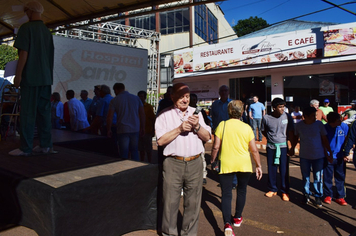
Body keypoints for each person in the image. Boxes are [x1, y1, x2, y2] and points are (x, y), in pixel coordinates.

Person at [155, 83, 211, 236]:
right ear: (172, 97)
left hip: (195, 162)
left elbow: (207, 137)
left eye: (187, 96)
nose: (185, 100)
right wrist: (179, 129)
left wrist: (198, 127)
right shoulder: (164, 115)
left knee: (193, 203)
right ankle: (169, 234)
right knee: (170, 203)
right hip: (173, 163)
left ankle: (189, 234)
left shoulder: (197, 113)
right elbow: (160, 141)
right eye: (181, 96)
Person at [210, 100, 262, 236]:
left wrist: (212, 160)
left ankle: (227, 224)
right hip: (244, 164)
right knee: (242, 190)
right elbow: (254, 150)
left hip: (226, 163)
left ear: (229, 111)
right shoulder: (247, 128)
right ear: (242, 111)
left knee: (226, 194)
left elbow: (216, 146)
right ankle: (238, 217)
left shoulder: (223, 125)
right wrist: (258, 165)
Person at [9, 1, 54, 156]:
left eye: (25, 11)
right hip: (46, 78)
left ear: (29, 11)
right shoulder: (47, 32)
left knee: (28, 113)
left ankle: (25, 147)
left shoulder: (26, 28)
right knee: (44, 113)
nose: (25, 14)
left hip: (31, 78)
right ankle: (46, 145)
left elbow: (24, 54)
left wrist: (18, 75)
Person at [290, 107, 332, 207]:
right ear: (306, 116)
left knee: (318, 177)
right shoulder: (299, 125)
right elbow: (296, 138)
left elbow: (324, 139)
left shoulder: (319, 124)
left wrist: (328, 152)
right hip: (304, 156)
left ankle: (318, 196)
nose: (315, 117)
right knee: (306, 177)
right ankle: (306, 194)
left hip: (319, 156)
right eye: (313, 116)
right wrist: (292, 148)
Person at [261, 98, 294, 201]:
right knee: (272, 168)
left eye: (283, 106)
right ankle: (272, 189)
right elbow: (264, 131)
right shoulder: (266, 118)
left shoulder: (287, 117)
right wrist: (272, 139)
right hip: (271, 147)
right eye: (280, 107)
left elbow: (291, 132)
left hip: (283, 147)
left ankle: (285, 191)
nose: (282, 109)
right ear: (274, 108)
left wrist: (291, 147)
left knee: (284, 170)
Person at [107, 83, 145, 161]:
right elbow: (142, 114)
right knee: (134, 151)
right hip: (135, 128)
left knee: (123, 153)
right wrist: (143, 127)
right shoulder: (136, 98)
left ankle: (124, 169)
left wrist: (108, 129)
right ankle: (136, 169)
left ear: (116, 90)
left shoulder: (114, 100)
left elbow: (110, 117)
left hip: (122, 129)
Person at [211, 85, 237, 189]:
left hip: (231, 133)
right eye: (222, 90)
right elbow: (213, 117)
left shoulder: (232, 104)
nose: (224, 92)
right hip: (219, 134)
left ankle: (234, 181)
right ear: (219, 92)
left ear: (228, 92)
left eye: (226, 90)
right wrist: (213, 128)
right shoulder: (215, 104)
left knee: (232, 156)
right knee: (220, 157)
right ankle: (223, 180)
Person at [323, 112, 348, 206]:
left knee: (340, 177)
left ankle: (340, 196)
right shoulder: (325, 128)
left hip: (340, 156)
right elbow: (323, 142)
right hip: (328, 156)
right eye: (338, 120)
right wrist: (327, 154)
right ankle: (328, 195)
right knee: (327, 177)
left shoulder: (344, 126)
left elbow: (347, 139)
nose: (340, 121)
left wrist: (346, 153)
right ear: (331, 122)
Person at [190, 93, 209, 185]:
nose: (193, 101)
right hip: (189, 139)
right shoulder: (186, 111)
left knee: (202, 156)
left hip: (200, 137)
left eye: (195, 99)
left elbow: (206, 122)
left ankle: (203, 175)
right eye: (192, 99)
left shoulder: (200, 110)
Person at [137, 90, 155, 163]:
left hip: (147, 130)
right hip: (138, 130)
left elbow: (153, 119)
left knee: (148, 149)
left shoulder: (149, 107)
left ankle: (149, 162)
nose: (140, 98)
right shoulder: (136, 106)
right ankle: (142, 162)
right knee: (141, 148)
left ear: (145, 97)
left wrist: (153, 130)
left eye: (142, 96)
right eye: (139, 96)